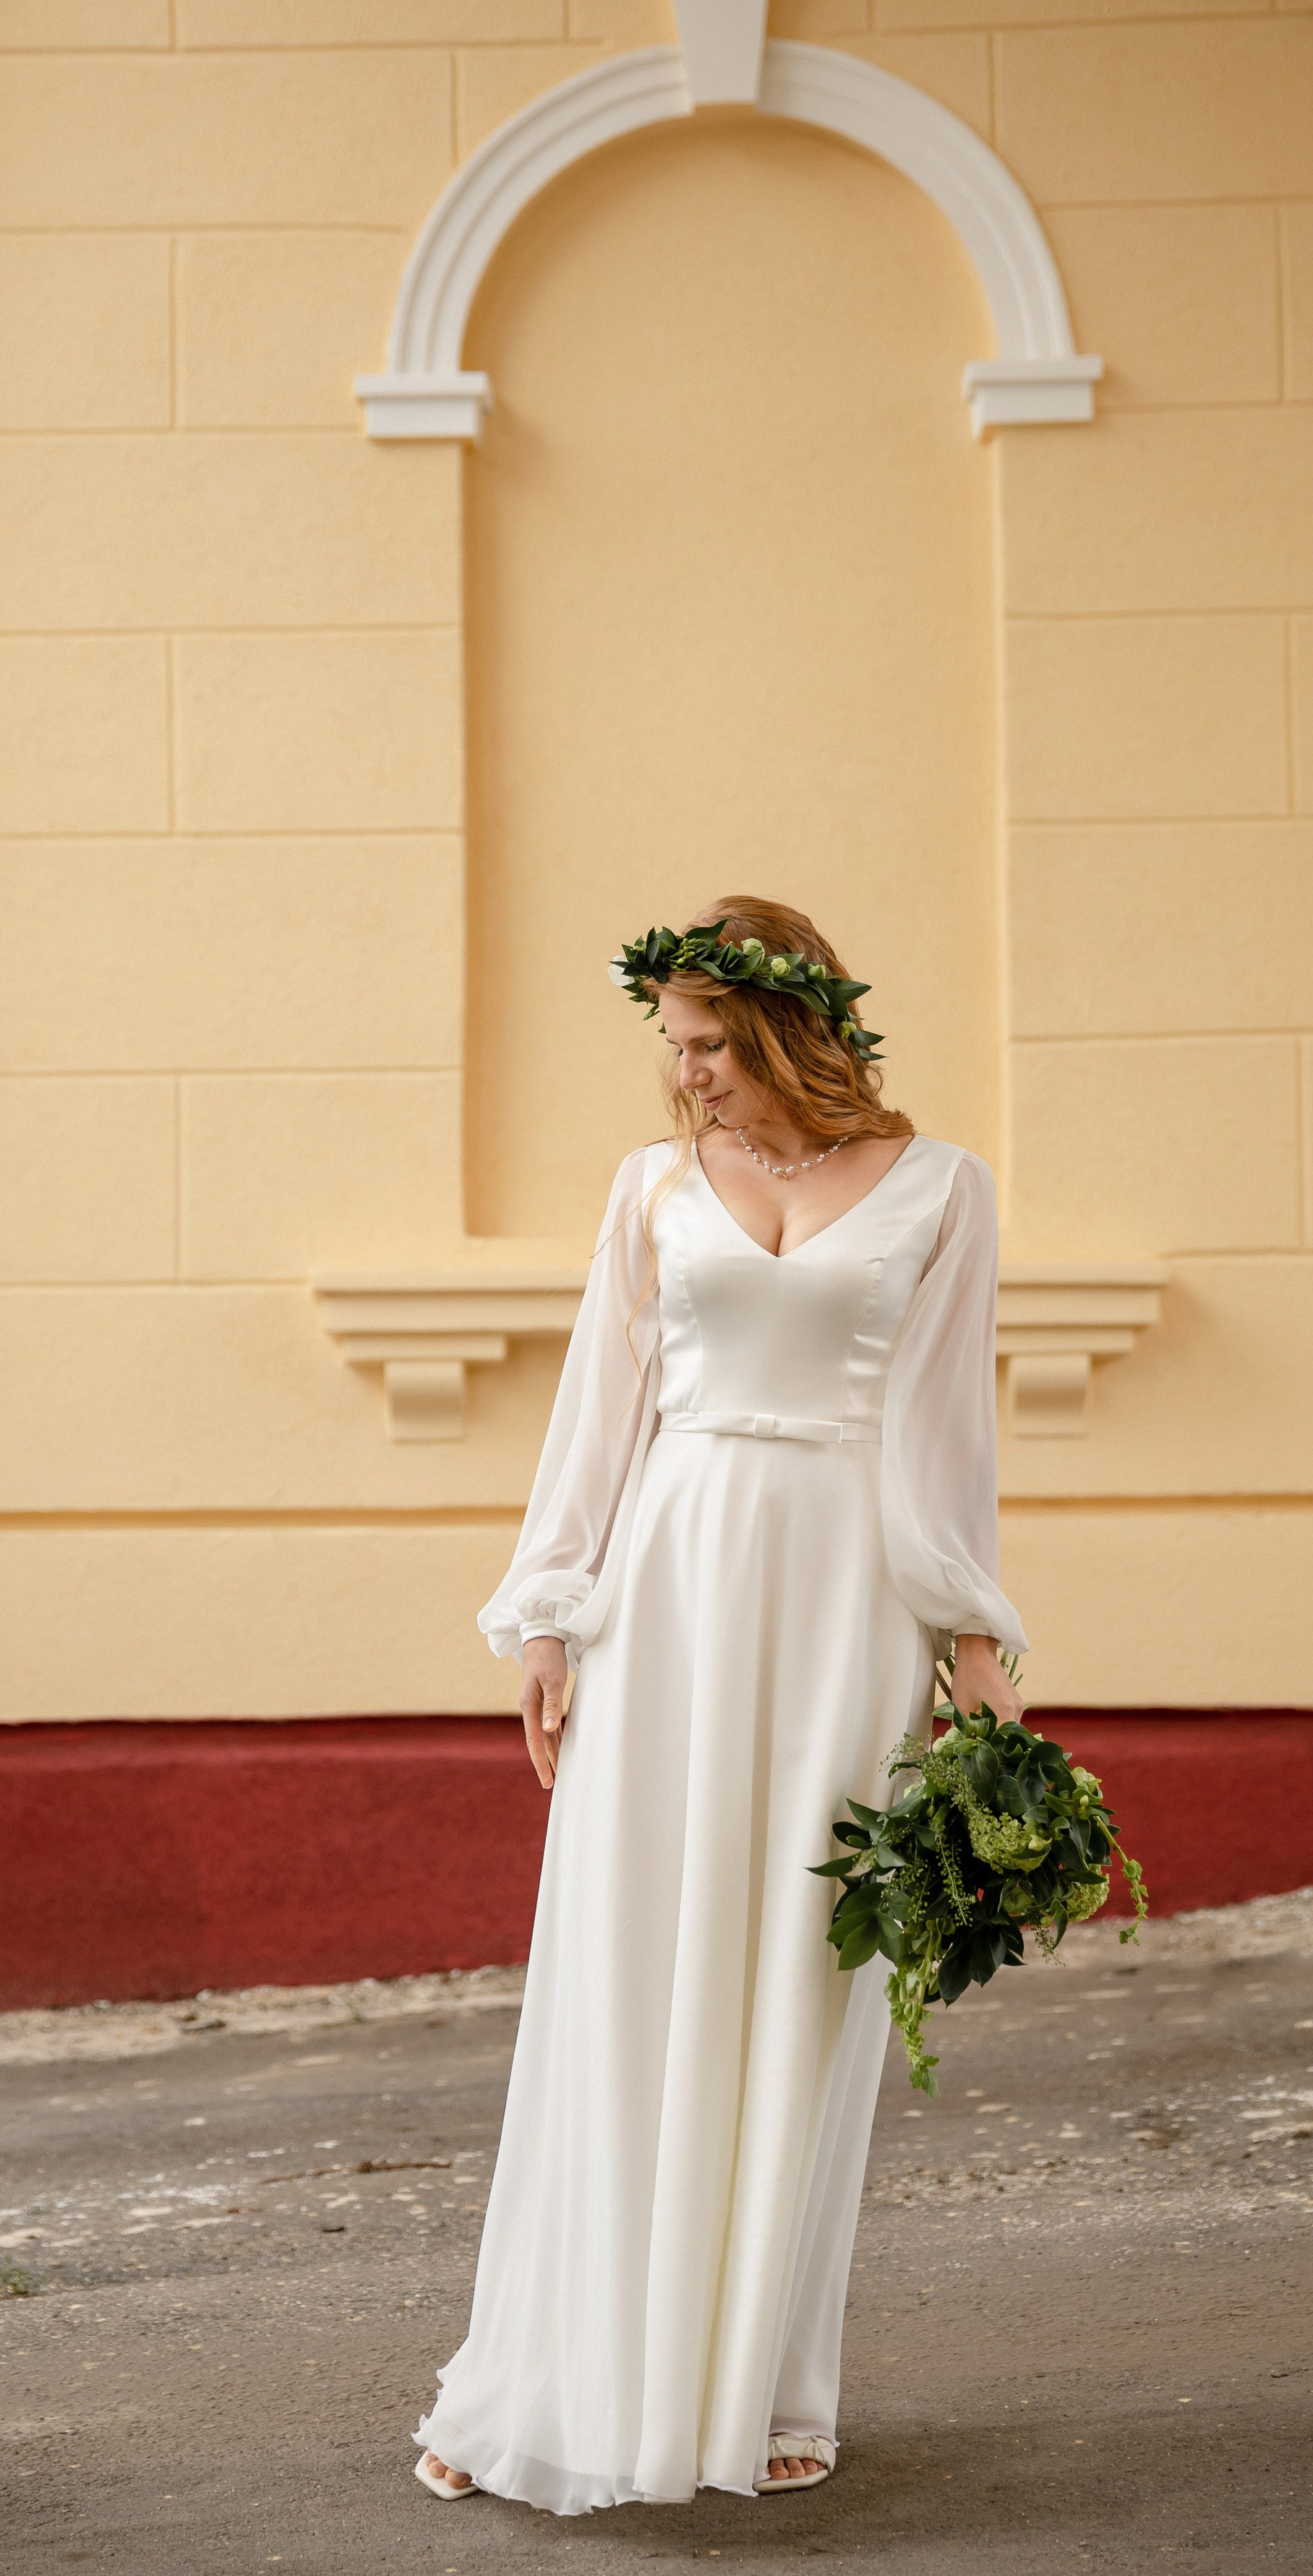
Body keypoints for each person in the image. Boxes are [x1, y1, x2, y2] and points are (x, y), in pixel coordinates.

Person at [414, 895, 1027, 2514]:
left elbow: (942, 1434)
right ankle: (538, 2381)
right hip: (667, 1590)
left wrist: (971, 1646)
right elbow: (597, 1414)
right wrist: (546, 1616)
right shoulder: (648, 1193)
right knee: (625, 1965)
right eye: (671, 1046)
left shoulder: (940, 1190)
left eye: (706, 1045)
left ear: (783, 1033)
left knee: (794, 1988)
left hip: (845, 1603)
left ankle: (760, 2383)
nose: (682, 1076)